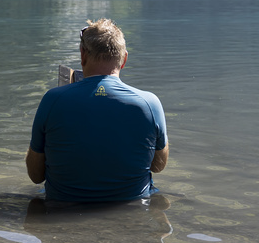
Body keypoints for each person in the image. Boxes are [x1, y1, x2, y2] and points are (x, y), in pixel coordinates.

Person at [26, 18, 168, 203]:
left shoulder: (53, 100)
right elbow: (158, 166)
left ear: (82, 55)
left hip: (63, 206)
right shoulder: (149, 103)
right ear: (124, 59)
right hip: (132, 206)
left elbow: (36, 175)